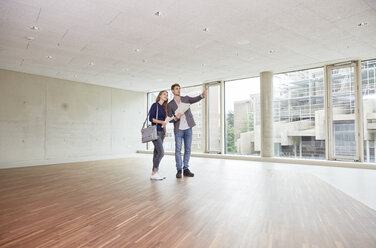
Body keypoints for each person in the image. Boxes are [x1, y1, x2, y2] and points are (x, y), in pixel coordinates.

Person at [167, 84, 207, 178]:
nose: (178, 90)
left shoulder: (186, 98)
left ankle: (186, 169)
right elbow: (169, 118)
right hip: (179, 129)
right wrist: (176, 118)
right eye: (176, 89)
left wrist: (202, 95)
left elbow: (195, 99)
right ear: (172, 91)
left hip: (188, 128)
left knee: (188, 149)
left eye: (179, 89)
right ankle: (179, 170)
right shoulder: (170, 104)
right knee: (178, 150)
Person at [149, 91, 168, 180]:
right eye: (164, 94)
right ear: (160, 95)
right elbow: (151, 119)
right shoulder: (155, 105)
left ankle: (156, 172)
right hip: (155, 131)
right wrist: (161, 122)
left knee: (156, 153)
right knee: (161, 153)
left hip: (161, 132)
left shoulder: (164, 108)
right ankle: (154, 172)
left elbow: (164, 122)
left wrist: (165, 131)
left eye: (167, 95)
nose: (166, 96)